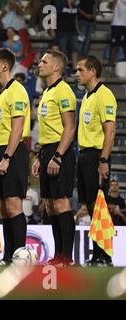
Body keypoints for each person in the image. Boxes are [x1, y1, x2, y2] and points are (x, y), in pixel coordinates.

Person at [31, 49, 77, 266]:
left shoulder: (64, 91)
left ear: (56, 67)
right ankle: (58, 256)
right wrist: (41, 156)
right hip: (48, 150)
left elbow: (70, 127)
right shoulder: (48, 92)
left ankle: (66, 258)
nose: (39, 64)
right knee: (49, 205)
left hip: (61, 152)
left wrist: (58, 156)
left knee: (60, 203)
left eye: (44, 61)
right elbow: (48, 129)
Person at [0, 48, 30, 266]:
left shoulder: (17, 90)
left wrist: (6, 157)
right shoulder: (1, 93)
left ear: (5, 66)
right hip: (1, 151)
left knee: (13, 204)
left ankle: (20, 256)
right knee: (2, 207)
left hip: (13, 152)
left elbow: (17, 128)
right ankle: (8, 255)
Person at [75, 55, 117, 267]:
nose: (77, 74)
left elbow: (110, 130)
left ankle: (105, 255)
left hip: (96, 155)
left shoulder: (104, 95)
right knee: (91, 206)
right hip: (84, 155)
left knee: (99, 205)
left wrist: (103, 159)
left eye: (80, 70)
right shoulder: (88, 96)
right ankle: (97, 253)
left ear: (93, 71)